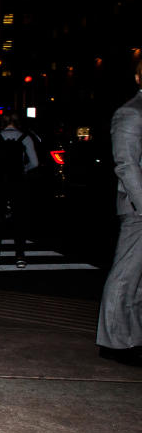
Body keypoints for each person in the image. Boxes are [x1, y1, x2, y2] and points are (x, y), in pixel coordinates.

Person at [97, 61, 142, 367]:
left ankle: (132, 336)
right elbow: (126, 164)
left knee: (138, 279)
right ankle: (115, 341)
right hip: (138, 207)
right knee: (126, 274)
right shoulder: (132, 112)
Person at [0, 111, 38, 267]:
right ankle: (20, 256)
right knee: (20, 218)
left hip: (0, 181)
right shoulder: (25, 138)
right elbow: (34, 162)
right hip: (18, 181)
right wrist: (24, 169)